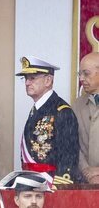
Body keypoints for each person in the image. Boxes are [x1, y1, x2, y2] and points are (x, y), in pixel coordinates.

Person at [16, 56, 80, 186]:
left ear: (48, 80)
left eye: (32, 78)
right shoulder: (35, 109)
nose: (27, 83)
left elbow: (69, 156)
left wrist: (59, 187)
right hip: (34, 183)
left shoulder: (62, 111)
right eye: (26, 78)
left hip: (50, 185)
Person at [72, 52, 99, 184]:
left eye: (86, 73)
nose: (81, 78)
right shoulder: (77, 105)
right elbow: (73, 143)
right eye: (80, 74)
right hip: (85, 181)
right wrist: (87, 171)